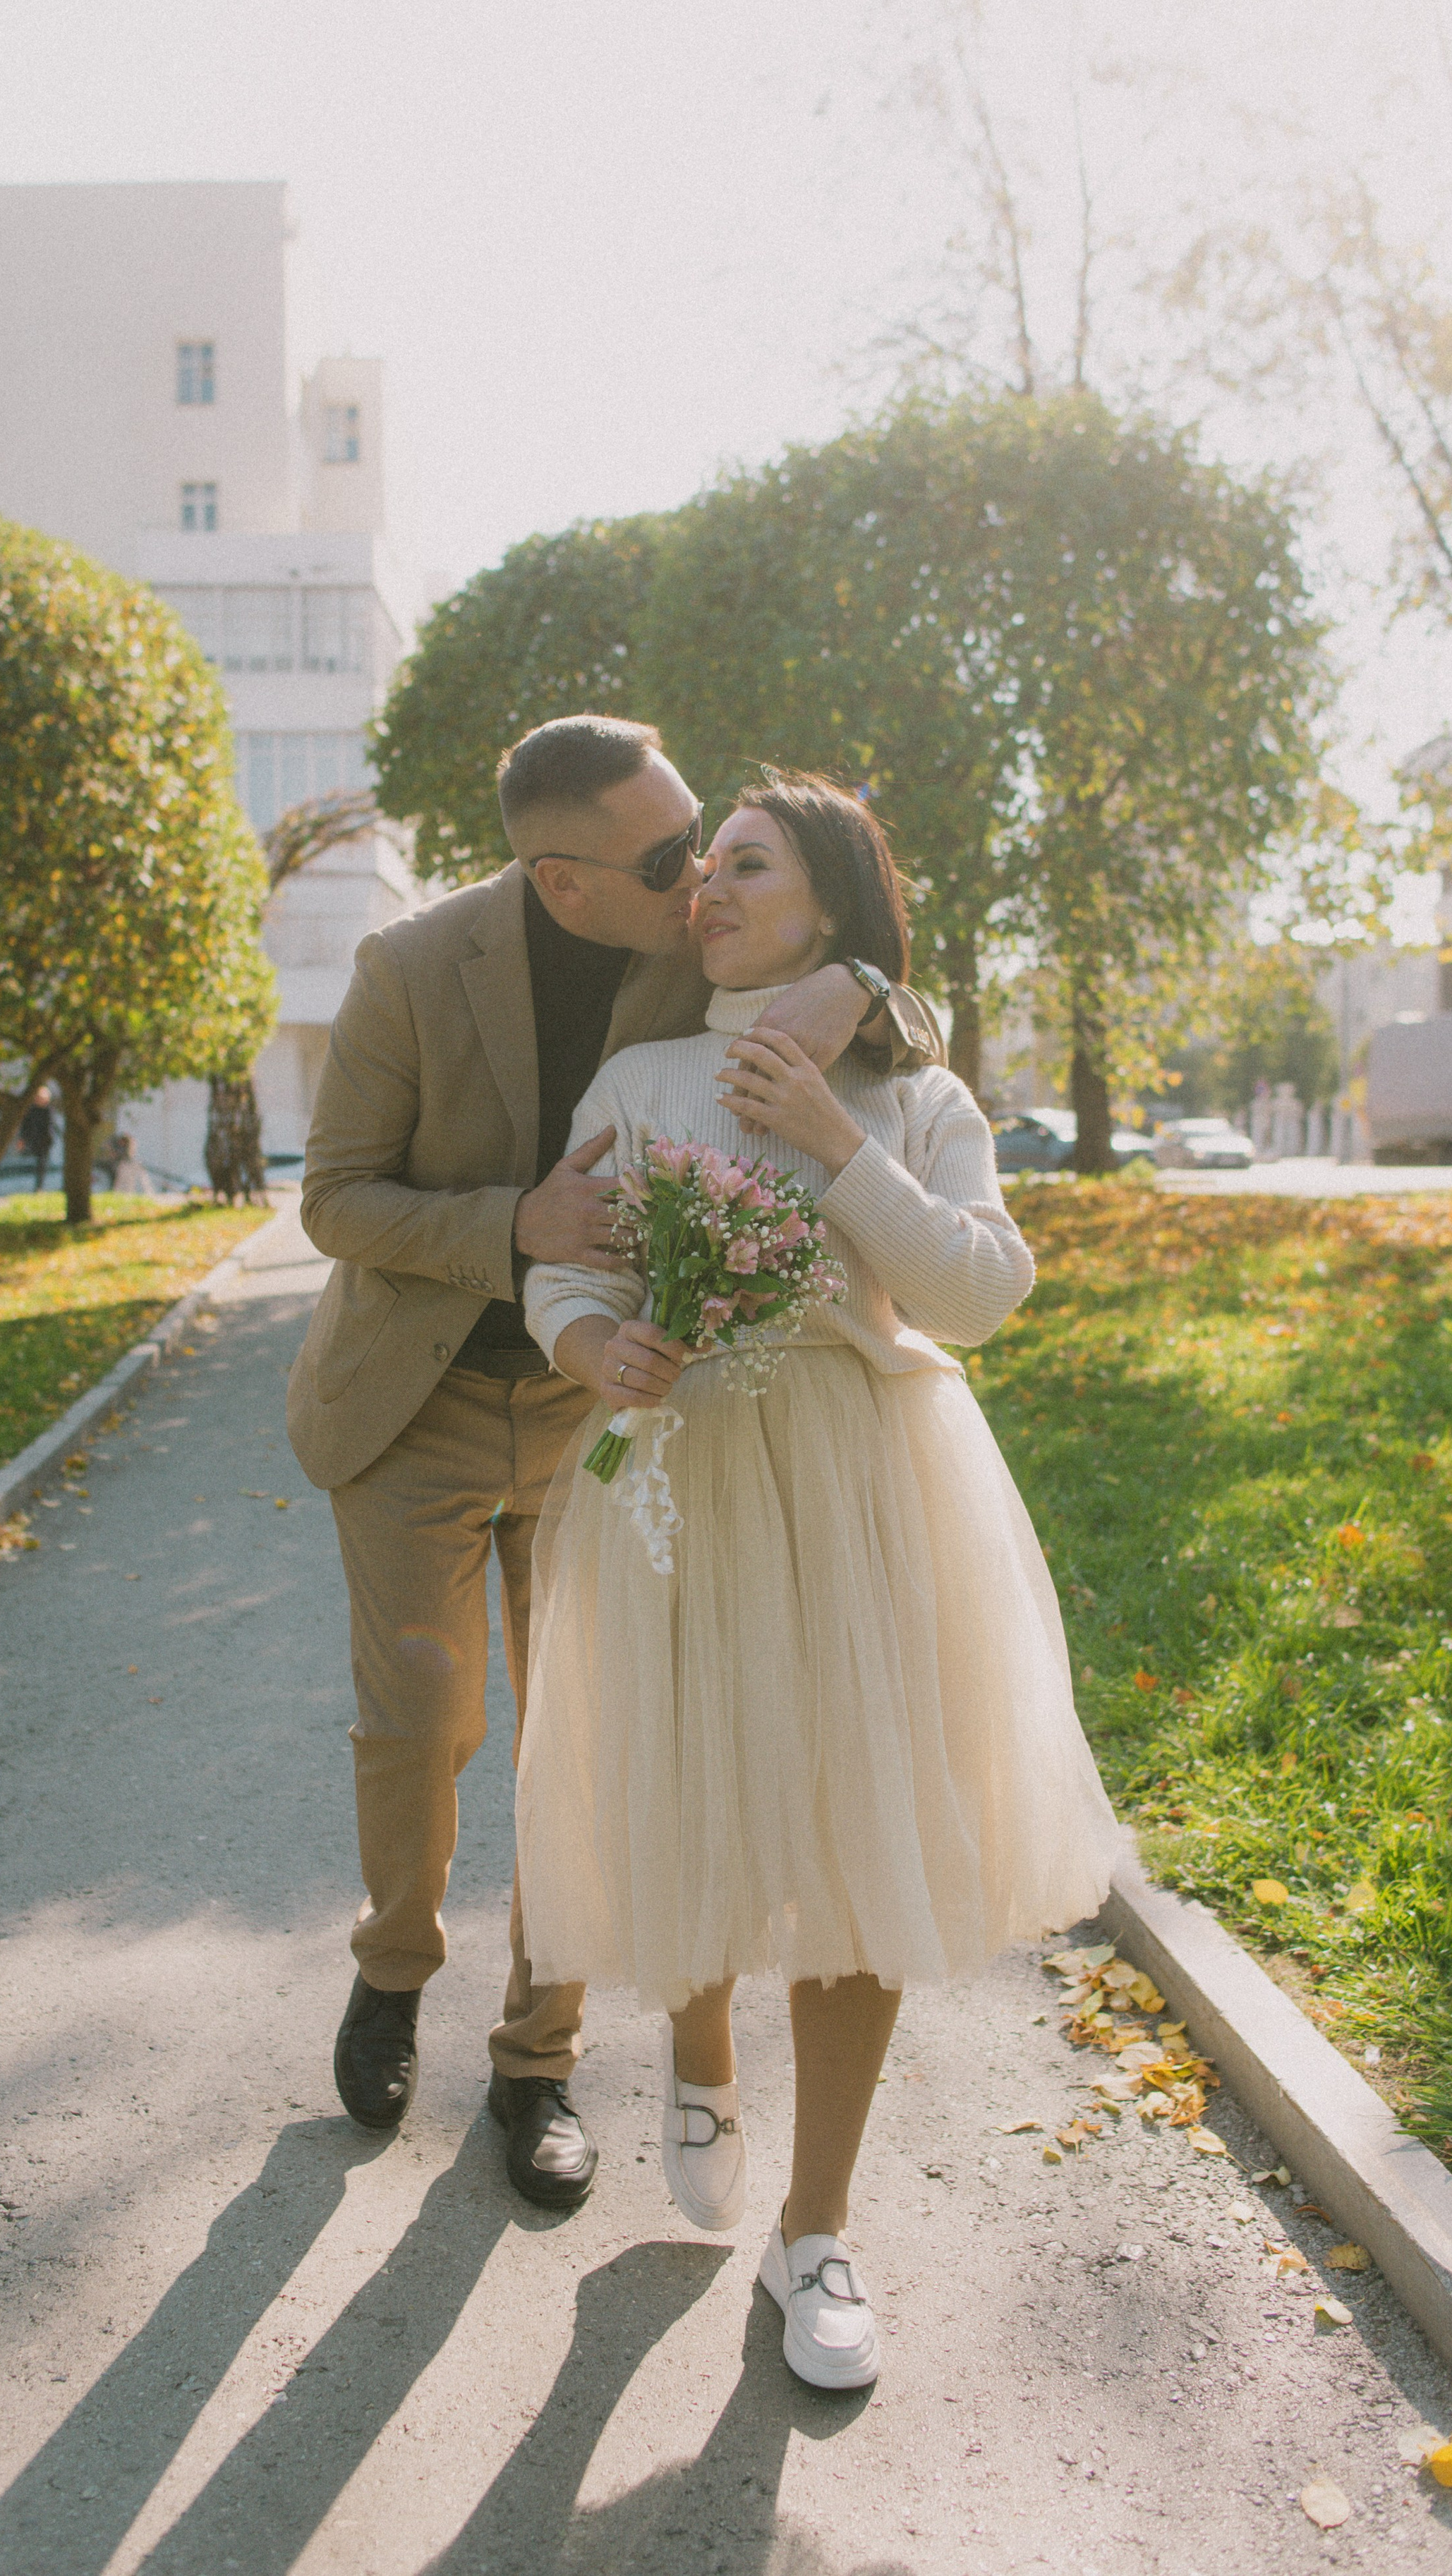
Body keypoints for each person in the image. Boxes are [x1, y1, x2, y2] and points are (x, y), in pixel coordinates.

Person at [288, 717, 944, 2211]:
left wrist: (861, 980)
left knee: (575, 1733)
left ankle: (539, 2060)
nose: (699, 872)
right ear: (560, 879)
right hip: (417, 1395)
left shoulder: (699, 941)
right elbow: (334, 1200)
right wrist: (510, 1226)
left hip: (611, 1418)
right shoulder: (406, 968)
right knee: (426, 1717)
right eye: (666, 858)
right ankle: (393, 1968)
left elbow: (861, 965)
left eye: (704, 839)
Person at [516, 772, 1120, 2379]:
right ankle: (698, 2047)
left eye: (749, 862)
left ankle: (817, 2234)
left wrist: (835, 1133)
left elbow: (979, 1288)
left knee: (857, 1838)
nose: (706, 881)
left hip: (866, 1489)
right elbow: (563, 1262)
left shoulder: (911, 1089)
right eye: (703, 862)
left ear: (832, 903)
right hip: (685, 1473)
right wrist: (594, 1340)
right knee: (697, 1794)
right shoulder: (640, 1072)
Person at [18, 1084, 54, 1193]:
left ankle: (39, 1188)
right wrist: (22, 1139)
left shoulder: (48, 1111)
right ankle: (26, 1187)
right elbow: (25, 1126)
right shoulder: (31, 1110)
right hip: (31, 1140)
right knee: (28, 1163)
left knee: (42, 1164)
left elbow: (50, 1127)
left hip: (44, 1142)